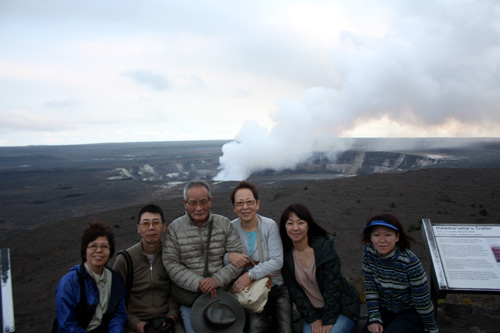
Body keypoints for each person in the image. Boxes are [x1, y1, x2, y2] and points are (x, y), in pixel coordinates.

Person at [163, 180, 245, 333]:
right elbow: (171, 264)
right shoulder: (174, 229)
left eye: (203, 202)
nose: (199, 208)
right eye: (193, 203)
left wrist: (217, 280)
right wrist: (199, 283)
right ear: (184, 203)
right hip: (190, 300)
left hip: (222, 298)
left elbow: (238, 260)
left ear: (210, 201)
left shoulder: (224, 224)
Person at [279, 203, 360, 333]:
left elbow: (332, 286)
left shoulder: (324, 247)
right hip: (314, 312)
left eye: (300, 223)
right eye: (290, 223)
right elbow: (295, 292)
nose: (295, 228)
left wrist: (328, 320)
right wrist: (313, 318)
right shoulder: (285, 254)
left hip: (342, 307)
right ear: (284, 227)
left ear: (308, 225)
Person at [225, 181, 292, 333]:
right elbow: (223, 257)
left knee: (285, 329)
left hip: (275, 285)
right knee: (255, 329)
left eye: (249, 202)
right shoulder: (230, 228)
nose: (245, 207)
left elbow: (277, 261)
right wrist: (229, 256)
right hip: (250, 291)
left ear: (257, 204)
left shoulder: (269, 226)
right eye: (240, 203)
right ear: (234, 207)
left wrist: (250, 274)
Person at [361, 214, 438, 333]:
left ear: (397, 237)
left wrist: (431, 327)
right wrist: (374, 318)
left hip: (409, 311)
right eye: (376, 235)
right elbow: (371, 287)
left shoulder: (410, 262)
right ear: (370, 237)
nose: (382, 240)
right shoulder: (369, 254)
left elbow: (421, 299)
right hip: (384, 309)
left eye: (388, 235)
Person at [113, 204, 182, 333]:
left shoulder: (171, 256)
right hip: (136, 324)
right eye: (145, 224)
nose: (151, 228)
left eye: (156, 223)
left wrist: (172, 317)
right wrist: (137, 324)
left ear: (164, 227)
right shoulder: (125, 260)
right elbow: (116, 301)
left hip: (167, 321)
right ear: (138, 228)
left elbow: (175, 292)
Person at [55, 222, 127, 332]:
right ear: (84, 252)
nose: (98, 250)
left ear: (110, 251)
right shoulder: (69, 283)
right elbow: (67, 325)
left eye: (104, 246)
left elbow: (119, 314)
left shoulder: (115, 280)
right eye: (93, 246)